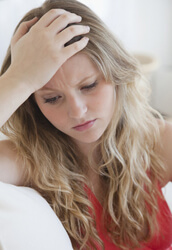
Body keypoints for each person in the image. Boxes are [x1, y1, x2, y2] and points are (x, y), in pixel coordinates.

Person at [0, 0, 172, 249]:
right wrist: (19, 78)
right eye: (52, 98)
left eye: (89, 85)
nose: (77, 111)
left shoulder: (158, 141)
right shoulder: (27, 161)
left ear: (115, 73)